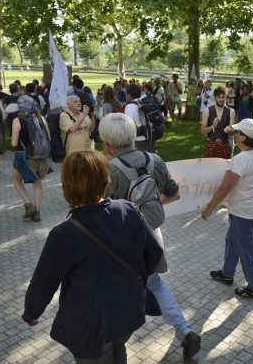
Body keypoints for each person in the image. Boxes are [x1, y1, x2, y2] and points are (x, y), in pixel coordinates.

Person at [22, 150, 164, 364]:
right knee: (118, 350)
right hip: (128, 308)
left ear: (67, 187)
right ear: (105, 180)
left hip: (94, 325)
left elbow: (43, 283)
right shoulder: (129, 209)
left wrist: (31, 314)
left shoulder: (64, 235)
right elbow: (155, 251)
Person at [101, 113, 202, 362]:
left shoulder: (108, 169)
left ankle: (113, 343)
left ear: (107, 142)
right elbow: (173, 194)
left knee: (114, 290)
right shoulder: (154, 160)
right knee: (155, 284)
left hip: (118, 243)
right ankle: (185, 331)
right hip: (150, 236)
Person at [203, 119, 253, 300]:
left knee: (246, 250)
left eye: (237, 132)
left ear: (243, 138)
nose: (235, 134)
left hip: (243, 212)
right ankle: (227, 273)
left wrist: (208, 209)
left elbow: (224, 189)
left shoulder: (240, 160)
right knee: (232, 240)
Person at [11, 97, 53, 222]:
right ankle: (37, 212)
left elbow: (13, 143)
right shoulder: (41, 119)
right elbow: (48, 138)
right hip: (40, 156)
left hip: (23, 156)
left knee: (17, 180)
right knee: (37, 184)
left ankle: (29, 205)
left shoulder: (17, 120)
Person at [201, 87, 235, 159]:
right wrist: (213, 126)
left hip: (225, 145)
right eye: (219, 97)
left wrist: (229, 130)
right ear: (215, 98)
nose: (221, 100)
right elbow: (202, 130)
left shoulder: (231, 111)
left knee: (224, 169)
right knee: (210, 169)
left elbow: (232, 133)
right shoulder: (207, 111)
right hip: (211, 145)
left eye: (223, 97)